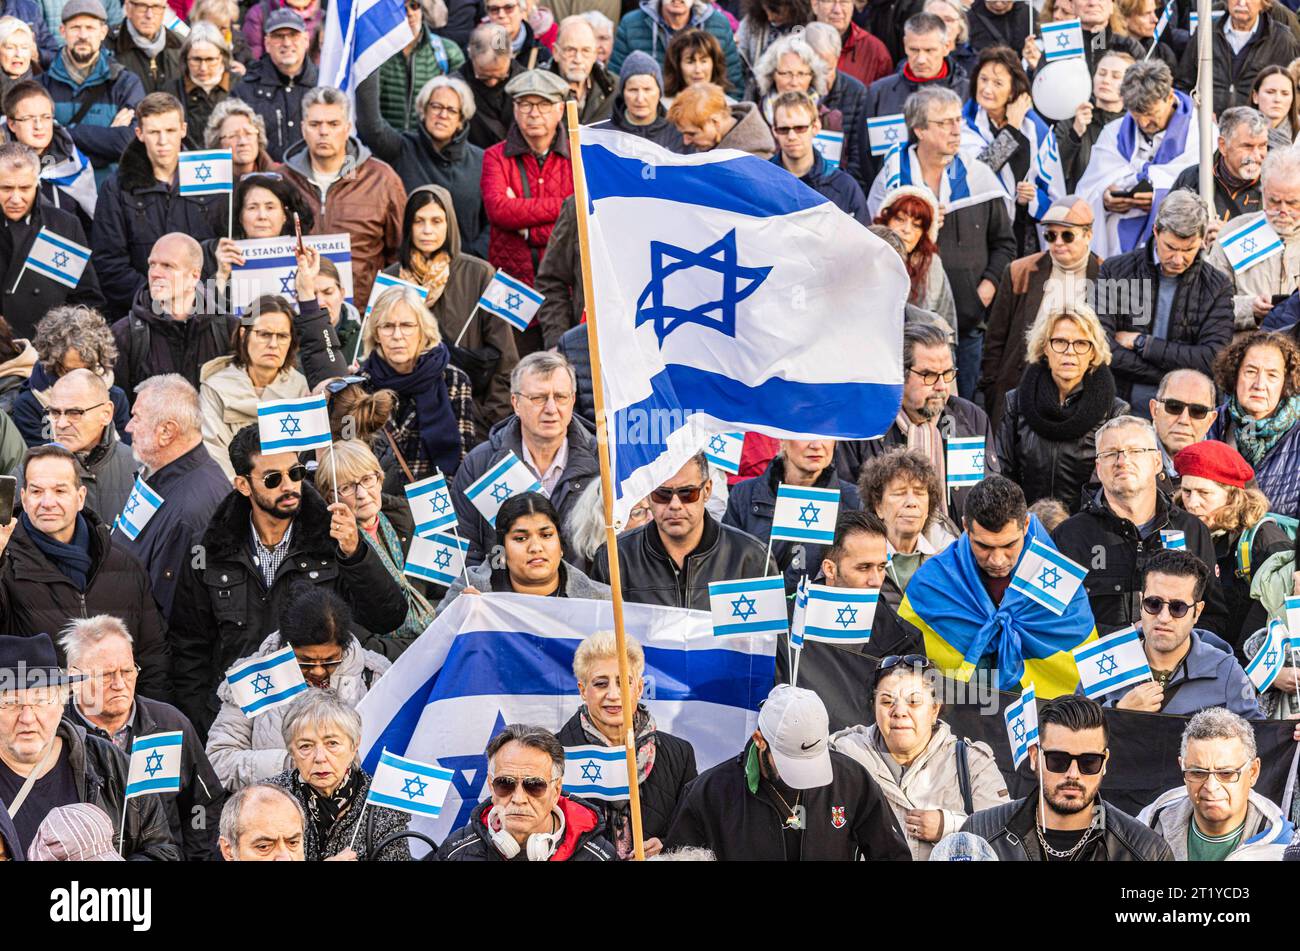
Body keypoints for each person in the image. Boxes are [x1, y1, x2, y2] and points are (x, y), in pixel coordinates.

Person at [168, 423, 408, 734]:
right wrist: (207, 722)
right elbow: (189, 648)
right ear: (242, 485)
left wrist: (355, 552)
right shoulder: (209, 549)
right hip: (240, 717)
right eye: (272, 479)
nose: (289, 485)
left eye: (295, 473)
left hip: (322, 718)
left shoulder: (333, 537)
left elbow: (388, 617)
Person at [869, 86, 1015, 400]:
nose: (955, 130)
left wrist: (982, 296)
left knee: (958, 406)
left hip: (969, 321)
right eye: (943, 123)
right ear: (919, 129)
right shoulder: (892, 177)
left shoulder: (979, 176)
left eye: (957, 120)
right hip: (904, 327)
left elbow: (1005, 243)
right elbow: (875, 243)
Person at [664, 683, 910, 861]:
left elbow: (892, 854)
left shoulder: (852, 780)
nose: (804, 778)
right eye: (791, 762)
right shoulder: (709, 793)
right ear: (760, 740)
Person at [0, 444, 169, 697]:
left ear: (80, 497)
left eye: (60, 490)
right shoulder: (5, 563)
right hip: (42, 726)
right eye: (36, 491)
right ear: (23, 498)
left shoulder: (124, 565)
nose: (47, 502)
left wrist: (146, 723)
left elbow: (153, 657)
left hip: (116, 723)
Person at [0, 632, 178, 860]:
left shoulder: (110, 764)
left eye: (41, 700)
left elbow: (163, 850)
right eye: (10, 703)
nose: (27, 717)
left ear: (61, 705)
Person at [61, 614, 224, 860]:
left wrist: (194, 855)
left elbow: (203, 804)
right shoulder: (56, 733)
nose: (120, 684)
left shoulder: (171, 725)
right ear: (74, 678)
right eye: (106, 675)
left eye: (127, 671)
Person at [1053, 416, 1228, 636]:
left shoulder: (1192, 530)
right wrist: (1127, 640)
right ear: (1098, 468)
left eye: (1135, 451)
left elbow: (1213, 617)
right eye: (1110, 453)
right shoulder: (1069, 536)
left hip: (1176, 667)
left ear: (1157, 462)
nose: (1122, 460)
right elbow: (1054, 621)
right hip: (1098, 665)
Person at [206, 585, 391, 789]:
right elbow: (218, 761)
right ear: (286, 646)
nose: (319, 671)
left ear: (344, 646)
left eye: (330, 660)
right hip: (276, 810)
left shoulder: (375, 676)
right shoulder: (254, 678)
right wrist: (293, 764)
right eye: (306, 661)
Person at [830, 655, 1010, 860]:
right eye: (887, 701)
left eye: (914, 702)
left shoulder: (972, 764)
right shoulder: (843, 756)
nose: (899, 712)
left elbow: (1006, 839)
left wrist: (949, 825)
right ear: (874, 706)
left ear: (935, 709)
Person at [961, 695, 1174, 860]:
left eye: (1089, 762)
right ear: (1035, 757)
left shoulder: (1146, 852)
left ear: (1104, 762)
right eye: (1058, 760)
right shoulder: (979, 835)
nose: (1073, 774)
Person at [383, 185, 516, 438]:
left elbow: (506, 358)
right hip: (407, 423)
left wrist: (487, 418)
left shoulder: (480, 273)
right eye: (419, 221)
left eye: (436, 221)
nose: (427, 230)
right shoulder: (391, 279)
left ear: (450, 224)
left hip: (471, 418)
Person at [556, 630, 696, 859]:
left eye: (624, 682)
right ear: (582, 690)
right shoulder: (554, 753)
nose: (613, 694)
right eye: (601, 684)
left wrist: (666, 845)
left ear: (639, 688)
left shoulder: (679, 754)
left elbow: (693, 829)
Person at [450, 351, 597, 566]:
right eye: (538, 398)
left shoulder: (603, 462)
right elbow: (466, 550)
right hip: (503, 596)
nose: (551, 409)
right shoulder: (480, 465)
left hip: (583, 596)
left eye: (560, 397)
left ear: (573, 400)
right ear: (515, 403)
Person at [839, 322, 995, 522]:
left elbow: (989, 495)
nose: (941, 386)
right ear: (900, 374)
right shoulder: (863, 425)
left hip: (958, 547)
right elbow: (849, 503)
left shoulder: (972, 419)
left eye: (947, 374)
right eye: (929, 375)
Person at [1096, 190, 1234, 413]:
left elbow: (1212, 359)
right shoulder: (1115, 270)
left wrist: (1143, 344)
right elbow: (1101, 346)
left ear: (1202, 239)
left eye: (1188, 249)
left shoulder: (1217, 285)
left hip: (1186, 412)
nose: (1178, 259)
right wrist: (1169, 374)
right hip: (1118, 405)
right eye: (1170, 247)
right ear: (1155, 231)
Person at [91, 92, 225, 317]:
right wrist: (158, 300)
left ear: (183, 129)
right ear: (139, 133)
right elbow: (109, 264)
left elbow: (222, 246)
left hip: (203, 311)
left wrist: (193, 299)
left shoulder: (212, 180)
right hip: (141, 314)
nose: (163, 141)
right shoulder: (117, 188)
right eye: (154, 132)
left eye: (170, 131)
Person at [588, 451, 772, 610]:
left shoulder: (751, 557)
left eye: (687, 493)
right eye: (662, 494)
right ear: (648, 495)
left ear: (707, 490)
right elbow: (600, 640)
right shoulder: (614, 557)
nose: (675, 505)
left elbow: (770, 643)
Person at [1091, 549, 1265, 717]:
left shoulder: (1226, 670)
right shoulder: (1103, 660)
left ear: (1197, 611)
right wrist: (1118, 711)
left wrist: (1289, 732)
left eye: (1178, 607)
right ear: (1141, 601)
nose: (1164, 617)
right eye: (1153, 604)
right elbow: (1071, 731)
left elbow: (1259, 736)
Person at [980, 195, 1102, 428]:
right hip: (1020, 382)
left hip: (1080, 390)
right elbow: (996, 336)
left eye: (1067, 235)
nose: (1057, 242)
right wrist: (991, 387)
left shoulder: (1108, 273)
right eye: (1050, 235)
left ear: (1088, 235)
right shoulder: (1020, 270)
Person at [280, 86, 405, 312]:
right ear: (303, 129)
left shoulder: (381, 179)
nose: (324, 132)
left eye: (333, 124)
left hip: (362, 314)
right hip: (295, 317)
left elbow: (399, 253)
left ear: (348, 128)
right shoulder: (282, 180)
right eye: (315, 124)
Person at [998, 302, 1129, 514]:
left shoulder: (1114, 412)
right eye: (1060, 342)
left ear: (1093, 353)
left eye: (1081, 343)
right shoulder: (1016, 401)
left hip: (1086, 528)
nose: (1070, 352)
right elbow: (1003, 473)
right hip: (1025, 525)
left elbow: (1111, 486)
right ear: (1044, 348)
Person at [198, 286, 336, 481]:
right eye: (264, 334)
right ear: (243, 334)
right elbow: (214, 457)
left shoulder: (301, 389)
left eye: (282, 336)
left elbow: (307, 459)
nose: (273, 344)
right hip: (233, 493)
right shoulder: (215, 388)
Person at [120, 374, 228, 621]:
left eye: (136, 418)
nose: (128, 427)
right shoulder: (159, 474)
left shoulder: (188, 512)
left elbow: (173, 615)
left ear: (166, 432)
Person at [314, 439, 435, 657]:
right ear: (330, 497)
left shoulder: (405, 522)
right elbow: (353, 634)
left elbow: (435, 590)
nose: (362, 494)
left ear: (380, 480)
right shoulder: (328, 548)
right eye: (347, 487)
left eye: (367, 479)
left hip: (431, 640)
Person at [479, 68, 573, 340]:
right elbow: (499, 211)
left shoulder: (577, 157)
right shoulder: (495, 157)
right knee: (512, 369)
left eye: (543, 104)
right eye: (525, 104)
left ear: (559, 110)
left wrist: (529, 230)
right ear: (515, 109)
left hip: (563, 288)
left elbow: (580, 214)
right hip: (511, 286)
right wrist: (563, 207)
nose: (534, 113)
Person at [434, 722, 617, 861]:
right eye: (505, 783)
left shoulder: (599, 855)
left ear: (556, 790)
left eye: (534, 785)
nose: (519, 798)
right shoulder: (456, 851)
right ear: (491, 785)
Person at [356, 72, 488, 260]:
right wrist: (368, 63)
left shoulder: (481, 161)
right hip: (408, 267)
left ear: (461, 120)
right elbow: (370, 126)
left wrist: (471, 256)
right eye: (436, 106)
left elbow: (493, 223)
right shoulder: (402, 148)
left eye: (451, 110)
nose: (443, 115)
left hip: (462, 270)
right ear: (423, 110)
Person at [1175, 441, 1294, 650]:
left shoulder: (1264, 541)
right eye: (1187, 491)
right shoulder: (1178, 532)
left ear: (1233, 495)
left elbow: (1283, 617)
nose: (1192, 503)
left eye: (1204, 493)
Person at [1077, 60, 1201, 258]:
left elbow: (1200, 188)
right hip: (1115, 246)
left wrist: (1159, 198)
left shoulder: (1200, 133)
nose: (1144, 123)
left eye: (1151, 114)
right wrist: (1105, 200)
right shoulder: (1114, 132)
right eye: (1136, 115)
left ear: (1169, 97)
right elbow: (1089, 188)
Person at [266, 689, 409, 861]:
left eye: (332, 743)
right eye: (305, 746)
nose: (319, 758)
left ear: (354, 745)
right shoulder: (267, 800)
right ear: (291, 751)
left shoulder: (382, 805)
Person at [357, 285, 474, 487]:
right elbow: (353, 457)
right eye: (387, 326)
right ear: (376, 333)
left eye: (407, 325)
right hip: (379, 505)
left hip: (435, 504)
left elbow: (463, 459)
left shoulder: (453, 380)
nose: (397, 335)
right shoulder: (360, 385)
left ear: (422, 330)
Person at [1139, 707, 1294, 860]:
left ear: (1253, 772)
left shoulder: (1284, 848)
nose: (1211, 787)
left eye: (1226, 774)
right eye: (1198, 773)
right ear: (1183, 768)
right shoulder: (1147, 827)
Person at [959, 45, 1062, 257]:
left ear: (1013, 91)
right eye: (983, 79)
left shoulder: (1035, 129)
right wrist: (1012, 127)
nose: (987, 89)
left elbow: (1054, 191)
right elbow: (982, 170)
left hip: (1025, 232)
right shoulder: (963, 124)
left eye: (997, 83)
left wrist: (1032, 198)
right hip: (979, 227)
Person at [108, 232, 237, 394]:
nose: (155, 273)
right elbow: (119, 409)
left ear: (194, 276)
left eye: (168, 266)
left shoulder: (228, 329)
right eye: (152, 264)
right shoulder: (124, 334)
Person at [724, 438, 861, 587]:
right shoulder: (743, 495)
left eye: (825, 434)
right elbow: (728, 566)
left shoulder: (854, 500)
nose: (816, 445)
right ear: (782, 439)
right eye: (804, 434)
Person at [0, 142, 103, 339]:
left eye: (24, 188)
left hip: (45, 351)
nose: (15, 198)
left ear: (36, 184)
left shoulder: (63, 226)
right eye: (6, 188)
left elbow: (85, 299)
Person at [439, 491, 610, 609]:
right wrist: (461, 619)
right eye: (521, 539)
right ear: (501, 550)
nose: (536, 547)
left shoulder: (600, 601)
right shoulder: (469, 593)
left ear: (561, 546)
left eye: (546, 535)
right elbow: (434, 648)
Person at [861, 13, 970, 181]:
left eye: (929, 50)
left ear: (946, 46)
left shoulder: (967, 92)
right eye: (914, 50)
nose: (921, 59)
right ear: (905, 45)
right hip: (892, 194)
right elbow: (865, 156)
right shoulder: (879, 92)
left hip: (954, 191)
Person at [39, 0, 143, 174]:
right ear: (62, 31)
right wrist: (107, 140)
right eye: (75, 28)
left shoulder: (125, 83)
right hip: (58, 193)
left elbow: (129, 142)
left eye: (90, 28)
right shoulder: (40, 86)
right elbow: (36, 148)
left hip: (110, 193)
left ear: (103, 32)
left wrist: (61, 133)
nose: (83, 35)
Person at [1206, 332, 1300, 519]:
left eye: (1272, 375)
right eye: (1250, 372)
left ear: (1285, 383)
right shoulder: (1210, 424)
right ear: (1234, 374)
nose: (1259, 384)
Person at [10, 304, 130, 449]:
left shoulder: (115, 397)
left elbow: (127, 455)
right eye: (69, 371)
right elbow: (39, 463)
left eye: (87, 370)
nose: (78, 378)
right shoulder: (28, 405)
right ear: (52, 363)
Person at [1208, 148, 1300, 335]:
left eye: (1293, 203)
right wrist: (1249, 309)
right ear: (1263, 191)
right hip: (1246, 354)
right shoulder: (1232, 234)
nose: (1283, 211)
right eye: (1274, 201)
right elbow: (1206, 306)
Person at [28, 368, 136, 517]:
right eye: (55, 413)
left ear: (106, 414)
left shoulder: (139, 469)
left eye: (74, 413)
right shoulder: (28, 471)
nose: (61, 424)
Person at [856, 448, 958, 604]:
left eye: (919, 493)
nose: (911, 502)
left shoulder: (949, 556)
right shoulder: (857, 555)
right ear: (879, 506)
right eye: (899, 493)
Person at [1175, 0, 1300, 115]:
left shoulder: (1282, 40)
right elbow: (1183, 85)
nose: (1241, 3)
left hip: (1260, 134)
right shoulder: (1205, 32)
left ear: (1263, 3)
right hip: (1209, 134)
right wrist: (1199, 114)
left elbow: (1293, 93)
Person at [2, 81, 98, 229]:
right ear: (11, 124)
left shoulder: (74, 164)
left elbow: (90, 225)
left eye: (46, 117)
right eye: (28, 118)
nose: (39, 126)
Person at [231, 7, 317, 162]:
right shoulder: (244, 90)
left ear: (306, 40)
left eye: (293, 35)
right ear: (267, 43)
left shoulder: (325, 84)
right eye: (278, 36)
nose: (286, 43)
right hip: (265, 181)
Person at [203, 168, 315, 286]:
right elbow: (204, 304)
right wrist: (221, 275)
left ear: (285, 215)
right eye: (252, 207)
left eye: (270, 207)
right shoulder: (212, 254)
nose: (262, 216)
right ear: (239, 216)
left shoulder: (306, 255)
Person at [769, 90, 868, 223]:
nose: (791, 136)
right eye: (783, 129)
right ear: (774, 131)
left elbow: (863, 240)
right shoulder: (761, 181)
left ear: (816, 126)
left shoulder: (844, 186)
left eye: (800, 128)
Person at [873, 187, 957, 339]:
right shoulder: (869, 256)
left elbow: (946, 321)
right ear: (886, 220)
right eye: (899, 219)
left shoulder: (932, 265)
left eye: (916, 225)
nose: (906, 230)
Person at [609, 0, 743, 92]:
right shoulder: (631, 24)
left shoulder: (718, 24)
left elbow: (733, 83)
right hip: (649, 121)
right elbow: (616, 80)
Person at [375, 0, 464, 134]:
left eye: (414, 6)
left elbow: (461, 109)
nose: (410, 13)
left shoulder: (448, 51)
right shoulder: (374, 53)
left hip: (427, 147)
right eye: (401, 9)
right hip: (381, 147)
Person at [1169, 106, 1267, 225]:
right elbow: (1162, 232)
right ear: (1223, 145)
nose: (1256, 156)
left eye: (1262, 146)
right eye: (1247, 146)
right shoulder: (1192, 178)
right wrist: (1198, 236)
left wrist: (1226, 238)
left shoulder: (1274, 186)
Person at [1056, 49, 1133, 193]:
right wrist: (1075, 134)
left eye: (1116, 76)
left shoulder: (1134, 125)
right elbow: (1054, 173)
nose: (1106, 80)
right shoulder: (1072, 118)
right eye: (1102, 73)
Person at [803, 21, 868, 187]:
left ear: (837, 59)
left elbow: (858, 154)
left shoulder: (856, 91)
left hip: (839, 184)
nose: (821, 78)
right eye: (814, 71)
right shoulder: (796, 91)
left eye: (827, 70)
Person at [591, 49, 685, 150]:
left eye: (647, 89)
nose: (640, 98)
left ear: (659, 92)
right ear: (623, 92)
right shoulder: (603, 134)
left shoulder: (679, 133)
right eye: (633, 90)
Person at [456, 22, 524, 150]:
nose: (492, 82)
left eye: (500, 76)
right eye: (484, 77)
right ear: (470, 54)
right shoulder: (455, 89)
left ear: (511, 53)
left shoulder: (528, 84)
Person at [667, 80, 776, 158]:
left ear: (715, 122)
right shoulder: (707, 145)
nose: (686, 142)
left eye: (692, 134)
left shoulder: (756, 159)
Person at [169, 22, 232, 150]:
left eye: (210, 59)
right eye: (196, 59)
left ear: (222, 57)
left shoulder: (239, 86)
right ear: (185, 58)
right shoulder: (171, 90)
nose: (203, 68)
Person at [736, 0, 813, 102]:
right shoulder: (751, 22)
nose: (770, 17)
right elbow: (738, 60)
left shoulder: (807, 28)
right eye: (765, 10)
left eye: (775, 11)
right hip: (756, 98)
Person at [1150, 369, 1220, 481]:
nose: (1184, 420)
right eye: (1174, 406)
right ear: (1154, 410)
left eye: (1198, 411)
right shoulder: (1127, 461)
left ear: (1211, 420)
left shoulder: (1225, 472)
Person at [811, 0, 892, 88]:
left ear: (852, 6)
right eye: (829, 1)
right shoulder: (797, 46)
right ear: (815, 5)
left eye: (844, 2)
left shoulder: (875, 52)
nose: (837, 10)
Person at [752, 31, 826, 127]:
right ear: (771, 75)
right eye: (786, 73)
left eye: (801, 74)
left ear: (812, 76)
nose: (794, 82)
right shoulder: (755, 119)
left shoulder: (828, 119)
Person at [549, 15, 613, 124]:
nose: (578, 59)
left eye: (585, 51)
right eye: (570, 50)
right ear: (556, 52)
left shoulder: (612, 88)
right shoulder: (539, 91)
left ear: (595, 54)